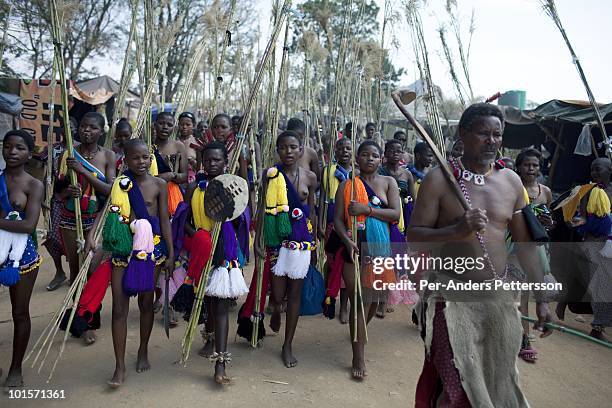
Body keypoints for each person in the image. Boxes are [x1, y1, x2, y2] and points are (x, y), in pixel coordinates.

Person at [408, 103, 552, 406]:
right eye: (483, 133)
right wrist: (456, 230)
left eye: (497, 135)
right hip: (450, 302)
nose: (491, 141)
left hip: (496, 299)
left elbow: (526, 247)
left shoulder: (511, 181)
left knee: (498, 385)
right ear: (463, 134)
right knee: (458, 387)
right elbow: (414, 237)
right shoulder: (438, 180)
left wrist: (542, 297)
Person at [89, 138, 174, 388]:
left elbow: (165, 220)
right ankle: (119, 366)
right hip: (122, 251)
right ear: (125, 159)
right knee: (119, 309)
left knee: (147, 304)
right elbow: (107, 212)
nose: (141, 162)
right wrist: (92, 235)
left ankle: (143, 350)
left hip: (150, 251)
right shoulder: (120, 184)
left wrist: (170, 253)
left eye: (146, 157)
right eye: (135, 157)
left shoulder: (159, 184)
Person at [333, 140, 400, 380]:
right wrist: (347, 240)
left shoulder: (389, 183)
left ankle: (359, 331)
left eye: (374, 155)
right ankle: (358, 356)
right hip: (354, 248)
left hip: (380, 248)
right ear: (357, 159)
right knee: (359, 301)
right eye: (364, 155)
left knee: (372, 301)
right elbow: (338, 220)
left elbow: (395, 214)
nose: (369, 159)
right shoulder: (346, 185)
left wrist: (366, 210)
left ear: (380, 159)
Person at [183, 141, 250, 384]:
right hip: (202, 251)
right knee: (208, 301)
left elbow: (242, 217)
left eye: (217, 160)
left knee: (221, 306)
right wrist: (198, 235)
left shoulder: (232, 189)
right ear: (202, 161)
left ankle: (220, 364)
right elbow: (184, 220)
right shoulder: (194, 188)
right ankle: (209, 336)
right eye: (208, 160)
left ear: (225, 163)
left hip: (224, 252)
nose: (211, 164)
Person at [251, 130, 317, 367]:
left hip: (301, 241)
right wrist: (258, 239)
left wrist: (314, 242)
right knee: (278, 294)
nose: (288, 152)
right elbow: (261, 208)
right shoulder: (269, 175)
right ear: (276, 150)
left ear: (301, 150)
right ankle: (277, 308)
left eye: (293, 147)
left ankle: (288, 344)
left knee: (295, 293)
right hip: (275, 237)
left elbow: (312, 211)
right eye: (283, 147)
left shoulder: (309, 177)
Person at [0, 130, 44, 388]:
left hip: (21, 257)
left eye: (19, 148)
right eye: (8, 147)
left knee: (19, 312)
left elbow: (29, 226)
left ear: (29, 153)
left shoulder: (33, 185)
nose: (12, 152)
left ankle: (16, 368)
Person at [58, 112, 116, 284]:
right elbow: (57, 192)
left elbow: (110, 191)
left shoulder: (108, 156)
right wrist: (69, 192)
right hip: (70, 219)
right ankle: (77, 308)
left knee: (92, 268)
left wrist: (83, 171)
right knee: (75, 271)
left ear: (101, 132)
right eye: (83, 126)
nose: (87, 130)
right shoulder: (69, 154)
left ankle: (92, 309)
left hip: (96, 219)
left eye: (93, 127)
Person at [558, 158, 611, 342]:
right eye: (592, 170)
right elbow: (580, 217)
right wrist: (579, 223)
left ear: (610, 170)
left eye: (598, 169)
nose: (594, 173)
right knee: (601, 285)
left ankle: (565, 301)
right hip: (593, 244)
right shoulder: (587, 192)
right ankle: (597, 327)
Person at [514, 148, 553, 362]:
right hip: (513, 245)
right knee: (518, 293)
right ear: (519, 166)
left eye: (535, 165)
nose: (531, 168)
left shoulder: (544, 191)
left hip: (536, 249)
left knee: (528, 292)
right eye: (527, 165)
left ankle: (524, 336)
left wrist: (550, 224)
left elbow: (548, 220)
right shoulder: (513, 188)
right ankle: (522, 338)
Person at [377, 139, 417, 318]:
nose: (395, 153)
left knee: (395, 259)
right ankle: (379, 298)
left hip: (401, 219)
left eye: (398, 151)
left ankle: (387, 298)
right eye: (391, 150)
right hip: (383, 216)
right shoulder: (379, 172)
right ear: (385, 153)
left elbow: (413, 201)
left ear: (403, 153)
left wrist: (411, 225)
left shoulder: (407, 175)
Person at [318, 137, 353, 323]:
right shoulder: (328, 171)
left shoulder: (357, 173)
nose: (345, 152)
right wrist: (320, 223)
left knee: (346, 263)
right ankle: (329, 296)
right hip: (332, 224)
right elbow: (322, 197)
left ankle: (344, 307)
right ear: (335, 151)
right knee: (332, 263)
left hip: (351, 226)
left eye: (348, 148)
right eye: (341, 148)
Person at [45, 118, 78, 291]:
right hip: (57, 199)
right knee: (52, 237)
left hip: (78, 201)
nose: (69, 130)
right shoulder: (53, 149)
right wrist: (46, 198)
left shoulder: (80, 148)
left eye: (72, 127)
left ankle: (77, 273)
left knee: (78, 239)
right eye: (65, 127)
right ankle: (59, 272)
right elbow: (48, 175)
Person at [152, 111, 188, 217]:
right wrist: (158, 178)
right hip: (151, 193)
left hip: (172, 194)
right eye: (161, 123)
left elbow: (184, 176)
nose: (165, 127)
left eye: (169, 125)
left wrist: (171, 175)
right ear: (154, 125)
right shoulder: (147, 146)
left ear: (174, 128)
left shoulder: (178, 146)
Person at [177, 112, 199, 183]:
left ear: (194, 125)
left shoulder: (197, 142)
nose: (184, 127)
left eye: (188, 125)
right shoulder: (173, 141)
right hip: (175, 180)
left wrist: (193, 163)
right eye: (182, 124)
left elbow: (201, 166)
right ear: (178, 125)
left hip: (192, 181)